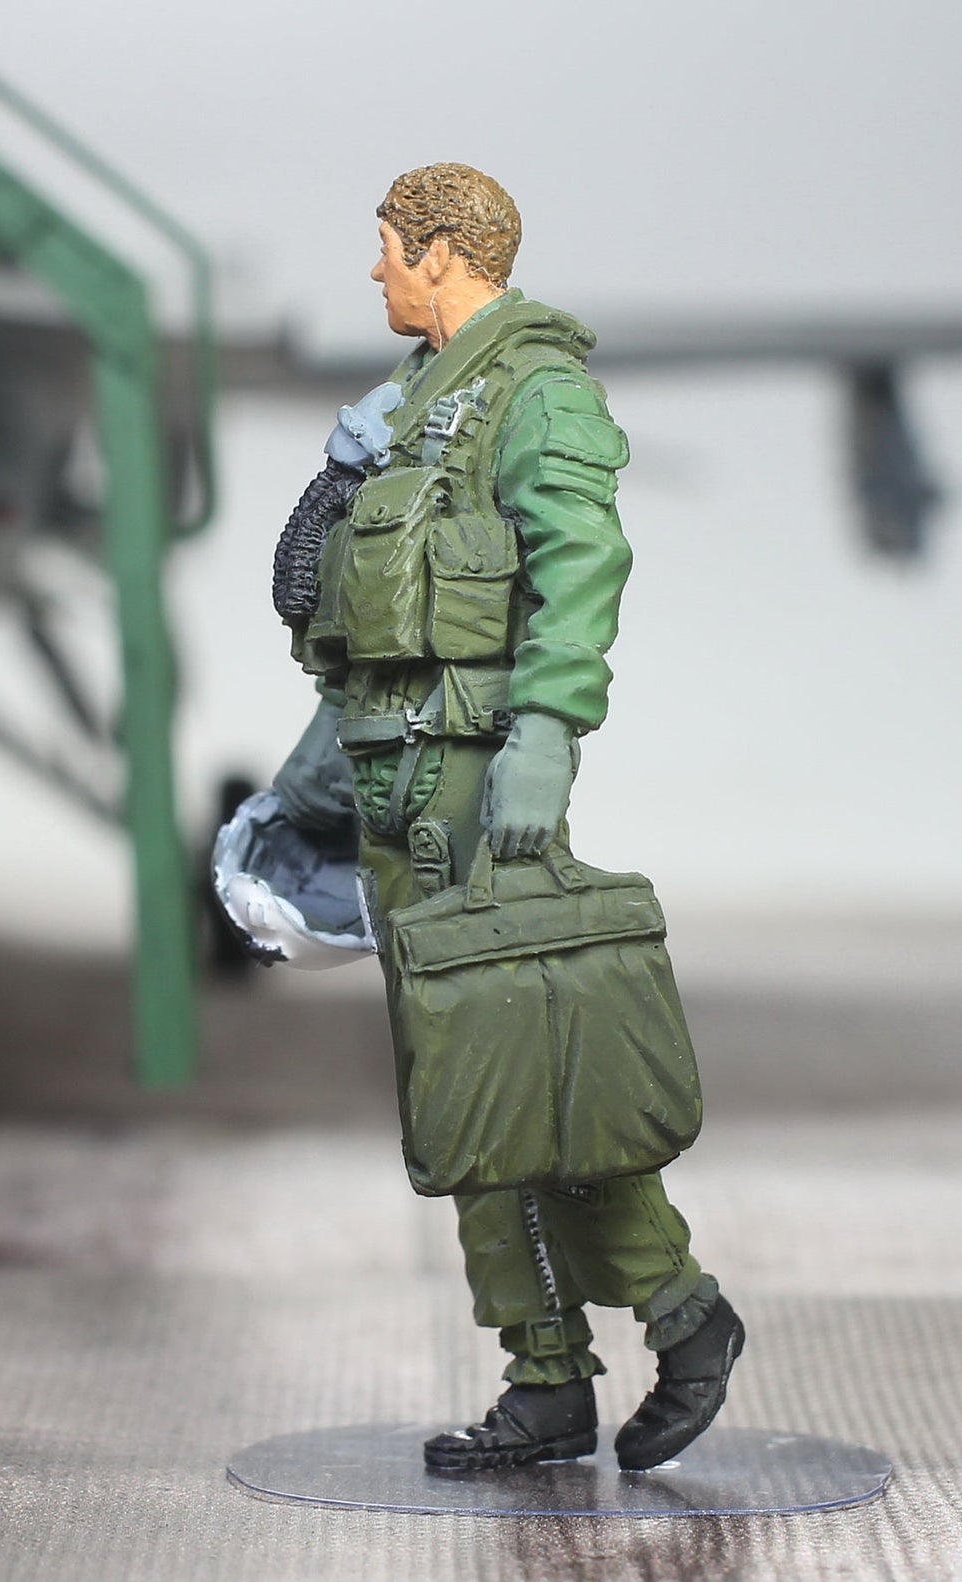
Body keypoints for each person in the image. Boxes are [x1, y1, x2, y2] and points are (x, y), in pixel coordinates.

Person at [268, 163, 742, 1472]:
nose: (373, 269)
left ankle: (681, 1310)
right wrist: (314, 776)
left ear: (439, 253)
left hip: (476, 778)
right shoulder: (414, 405)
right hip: (392, 774)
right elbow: (349, 611)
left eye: (386, 246)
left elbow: (582, 563)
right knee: (463, 1089)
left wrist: (546, 731)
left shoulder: (535, 394)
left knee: (532, 1068)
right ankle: (544, 1376)